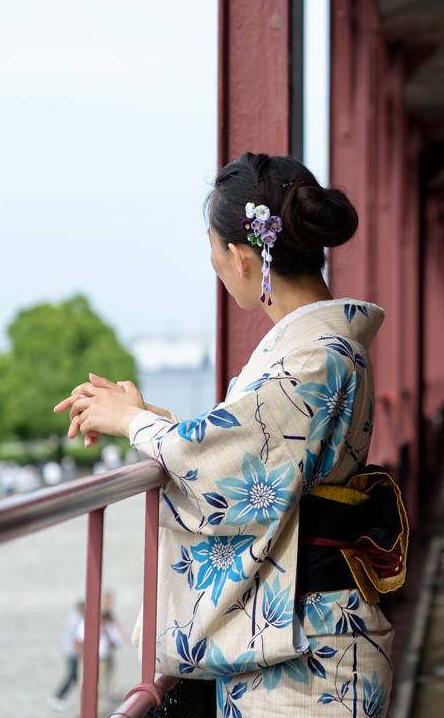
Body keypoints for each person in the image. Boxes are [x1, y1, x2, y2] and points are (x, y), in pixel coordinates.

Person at [53, 153, 403, 717]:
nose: (213, 265)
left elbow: (228, 466)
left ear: (242, 258)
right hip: (315, 631)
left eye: (213, 252)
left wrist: (132, 423)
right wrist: (153, 423)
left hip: (309, 654)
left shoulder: (315, 357)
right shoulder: (321, 348)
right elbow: (249, 446)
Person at [49, 600, 85, 712]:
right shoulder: (75, 619)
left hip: (70, 650)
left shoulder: (73, 617)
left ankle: (65, 698)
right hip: (72, 651)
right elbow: (74, 638)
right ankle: (57, 697)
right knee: (71, 676)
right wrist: (78, 653)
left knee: (74, 677)